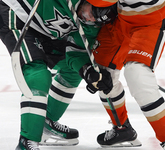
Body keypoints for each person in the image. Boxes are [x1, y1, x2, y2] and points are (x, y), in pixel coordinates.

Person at [0, 0, 115, 149]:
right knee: (38, 76)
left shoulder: (93, 22)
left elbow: (77, 53)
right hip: (20, 14)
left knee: (73, 70)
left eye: (99, 19)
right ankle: (27, 141)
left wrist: (87, 70)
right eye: (94, 13)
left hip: (46, 30)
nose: (92, 19)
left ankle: (45, 123)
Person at [81, 0, 165, 149]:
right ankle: (122, 128)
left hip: (151, 19)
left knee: (137, 74)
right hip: (120, 16)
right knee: (101, 73)